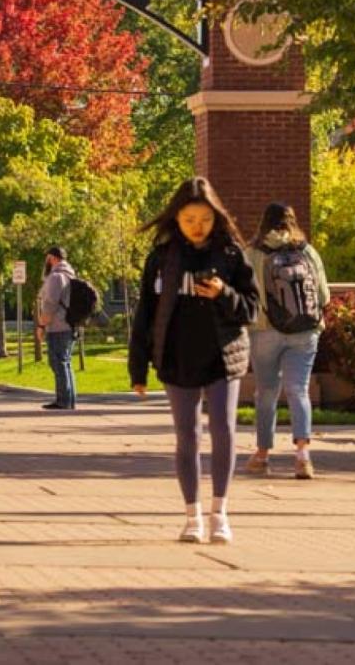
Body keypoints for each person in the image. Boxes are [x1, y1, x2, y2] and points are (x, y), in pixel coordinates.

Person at [129, 177, 258, 545]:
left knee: (224, 430)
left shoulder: (232, 255)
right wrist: (137, 368)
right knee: (187, 435)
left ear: (216, 217)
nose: (197, 226)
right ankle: (192, 516)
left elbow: (251, 309)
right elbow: (146, 314)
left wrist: (223, 293)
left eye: (204, 218)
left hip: (222, 356)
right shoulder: (162, 258)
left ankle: (220, 513)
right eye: (188, 219)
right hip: (177, 357)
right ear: (177, 219)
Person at [243, 202, 331, 480]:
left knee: (266, 392)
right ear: (293, 222)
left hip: (264, 330)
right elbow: (324, 296)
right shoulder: (308, 252)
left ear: (264, 223)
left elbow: (245, 296)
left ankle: (262, 454)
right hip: (305, 332)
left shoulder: (253, 253)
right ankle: (302, 456)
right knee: (298, 389)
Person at [35, 245, 77, 411]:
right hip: (69, 324)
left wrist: (41, 325)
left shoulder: (55, 277)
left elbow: (50, 304)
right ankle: (68, 399)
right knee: (65, 363)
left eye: (47, 258)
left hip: (58, 325)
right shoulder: (70, 275)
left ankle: (63, 401)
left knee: (58, 363)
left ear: (52, 258)